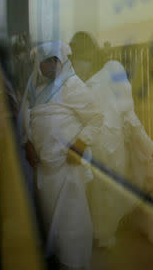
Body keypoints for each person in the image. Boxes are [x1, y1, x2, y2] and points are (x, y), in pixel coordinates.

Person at [20, 41, 102, 269]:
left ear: (63, 60)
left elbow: (96, 118)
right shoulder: (36, 89)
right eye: (46, 60)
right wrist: (27, 143)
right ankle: (60, 257)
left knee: (72, 219)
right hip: (45, 167)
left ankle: (75, 263)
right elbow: (29, 120)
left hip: (68, 166)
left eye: (55, 59)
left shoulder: (72, 85)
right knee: (51, 218)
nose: (50, 65)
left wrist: (79, 144)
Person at [85, 59, 153, 248]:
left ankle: (96, 231)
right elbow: (130, 117)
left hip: (93, 144)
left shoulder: (92, 82)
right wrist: (149, 146)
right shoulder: (117, 81)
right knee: (110, 188)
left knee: (96, 189)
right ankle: (106, 236)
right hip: (111, 144)